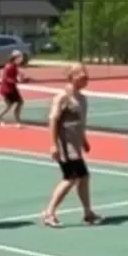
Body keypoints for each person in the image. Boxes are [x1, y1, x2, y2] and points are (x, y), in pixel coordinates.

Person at [41, 65, 101, 228]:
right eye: (82, 76)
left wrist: (84, 140)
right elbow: (53, 120)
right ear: (72, 77)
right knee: (70, 178)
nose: (86, 79)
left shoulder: (82, 99)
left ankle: (88, 213)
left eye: (87, 76)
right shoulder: (62, 97)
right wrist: (54, 144)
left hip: (76, 146)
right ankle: (49, 213)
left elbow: (80, 123)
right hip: (65, 146)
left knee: (84, 177)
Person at [0, 50, 28, 125]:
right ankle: (17, 121)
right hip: (7, 89)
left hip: (11, 88)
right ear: (15, 58)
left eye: (21, 57)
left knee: (12, 104)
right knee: (17, 103)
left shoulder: (14, 66)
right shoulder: (9, 66)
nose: (21, 59)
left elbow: (14, 77)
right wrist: (16, 81)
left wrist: (21, 78)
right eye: (20, 57)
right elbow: (7, 78)